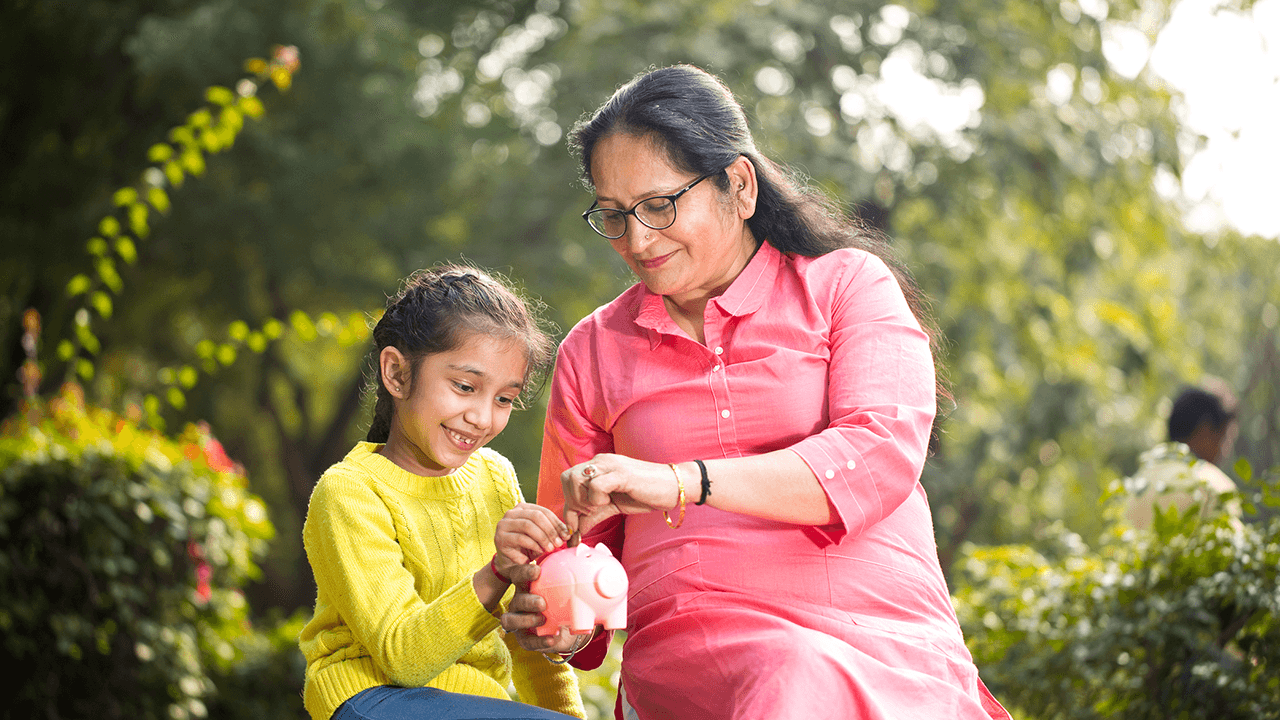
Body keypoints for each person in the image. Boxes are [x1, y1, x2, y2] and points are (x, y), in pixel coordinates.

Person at [500, 65, 1010, 720]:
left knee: (810, 672)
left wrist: (682, 481)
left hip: (892, 644)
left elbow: (878, 454)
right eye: (614, 216)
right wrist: (564, 622)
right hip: (706, 654)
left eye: (659, 205)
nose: (638, 240)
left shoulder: (848, 285)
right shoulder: (592, 352)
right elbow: (579, 561)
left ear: (737, 186)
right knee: (794, 673)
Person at [298, 265, 587, 720]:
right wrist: (496, 574)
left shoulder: (494, 477)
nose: (482, 417)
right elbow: (402, 657)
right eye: (465, 387)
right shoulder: (350, 493)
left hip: (474, 705)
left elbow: (523, 639)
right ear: (396, 373)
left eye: (504, 399)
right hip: (373, 696)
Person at [1124, 385, 1240, 530]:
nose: (1225, 452)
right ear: (1205, 431)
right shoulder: (1213, 487)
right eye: (1226, 439)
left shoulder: (1138, 483)